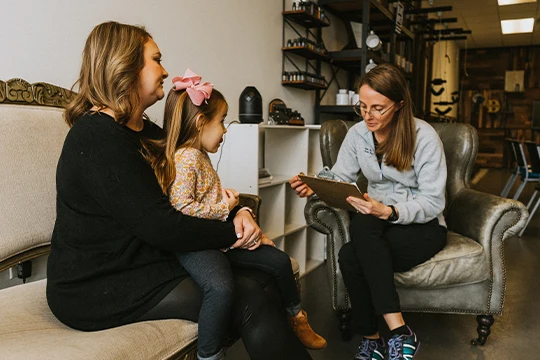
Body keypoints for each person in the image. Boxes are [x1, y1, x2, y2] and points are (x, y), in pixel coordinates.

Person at [46, 21, 313, 360]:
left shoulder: (146, 132)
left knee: (263, 273)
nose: (165, 70)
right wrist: (230, 231)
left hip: (146, 259)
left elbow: (191, 196)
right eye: (155, 59)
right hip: (97, 285)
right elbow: (161, 225)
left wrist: (239, 212)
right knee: (247, 296)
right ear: (125, 67)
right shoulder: (98, 138)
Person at [141, 69, 327, 358]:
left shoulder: (199, 155)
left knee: (278, 261)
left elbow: (204, 196)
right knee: (221, 288)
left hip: (220, 235)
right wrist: (225, 208)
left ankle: (297, 318)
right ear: (201, 123)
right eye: (222, 122)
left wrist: (235, 207)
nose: (225, 130)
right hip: (200, 242)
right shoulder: (186, 157)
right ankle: (209, 353)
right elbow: (183, 209)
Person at [289, 63, 447, 360]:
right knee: (362, 225)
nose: (368, 116)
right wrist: (316, 185)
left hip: (422, 226)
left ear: (399, 105)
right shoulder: (358, 135)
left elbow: (433, 202)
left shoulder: (424, 137)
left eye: (378, 108)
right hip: (375, 223)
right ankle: (391, 335)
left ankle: (377, 338)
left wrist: (389, 210)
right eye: (362, 106)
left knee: (351, 257)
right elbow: (341, 176)